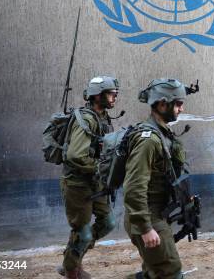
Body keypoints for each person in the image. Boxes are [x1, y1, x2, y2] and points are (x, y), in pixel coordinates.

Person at [123, 78, 192, 279]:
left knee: (154, 270)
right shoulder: (149, 140)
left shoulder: (163, 133)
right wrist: (145, 228)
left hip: (156, 212)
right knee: (171, 272)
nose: (181, 108)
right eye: (178, 104)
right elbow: (134, 187)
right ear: (162, 104)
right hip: (146, 216)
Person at [59, 76, 120, 279]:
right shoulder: (86, 119)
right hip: (78, 184)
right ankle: (71, 270)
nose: (114, 98)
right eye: (111, 94)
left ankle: (72, 258)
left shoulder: (102, 117)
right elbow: (75, 155)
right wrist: (101, 168)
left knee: (109, 222)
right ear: (97, 96)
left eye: (115, 94)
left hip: (96, 182)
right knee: (83, 233)